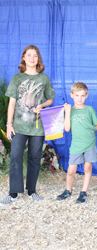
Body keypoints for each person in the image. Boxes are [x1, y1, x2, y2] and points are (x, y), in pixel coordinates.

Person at [0, 45, 56, 206]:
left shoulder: (43, 78)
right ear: (23, 57)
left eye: (35, 56)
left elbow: (51, 99)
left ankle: (32, 190)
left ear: (39, 59)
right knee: (15, 157)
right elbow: (12, 103)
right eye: (29, 55)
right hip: (19, 126)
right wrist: (9, 124)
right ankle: (13, 193)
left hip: (38, 127)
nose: (32, 58)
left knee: (34, 158)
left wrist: (43, 105)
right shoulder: (17, 78)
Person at [57, 82, 97, 203]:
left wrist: (89, 127)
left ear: (86, 96)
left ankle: (84, 192)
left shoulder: (89, 109)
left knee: (87, 167)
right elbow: (67, 129)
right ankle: (68, 191)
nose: (79, 98)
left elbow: (96, 127)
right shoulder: (69, 111)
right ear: (71, 95)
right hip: (76, 145)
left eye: (82, 95)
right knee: (71, 171)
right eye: (77, 95)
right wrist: (68, 111)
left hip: (89, 144)